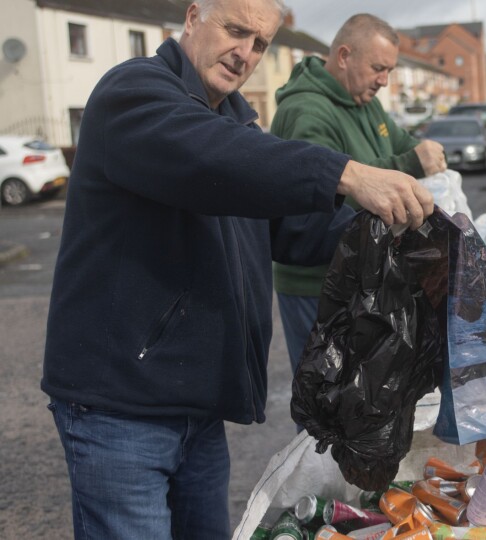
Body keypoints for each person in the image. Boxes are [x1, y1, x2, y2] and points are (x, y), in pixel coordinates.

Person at [40, 0, 433, 538]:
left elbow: (291, 231)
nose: (245, 53)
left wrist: (389, 230)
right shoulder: (132, 94)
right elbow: (212, 157)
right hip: (121, 409)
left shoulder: (233, 123)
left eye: (261, 43)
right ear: (193, 16)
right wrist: (345, 172)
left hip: (197, 410)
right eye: (235, 30)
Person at [270, 13, 447, 377]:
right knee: (326, 397)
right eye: (378, 68)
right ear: (344, 55)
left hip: (363, 272)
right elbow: (324, 190)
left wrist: (420, 153)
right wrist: (411, 162)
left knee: (364, 395)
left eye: (389, 71)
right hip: (317, 284)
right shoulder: (306, 110)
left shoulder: (367, 101)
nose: (384, 81)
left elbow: (400, 144)